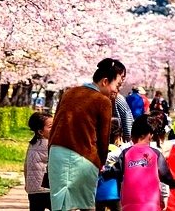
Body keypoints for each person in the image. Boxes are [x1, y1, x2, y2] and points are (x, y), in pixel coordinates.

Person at [49, 58, 126, 211]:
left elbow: (56, 124)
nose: (117, 90)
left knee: (60, 205)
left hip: (56, 154)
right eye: (117, 85)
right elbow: (104, 139)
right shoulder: (102, 100)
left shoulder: (69, 92)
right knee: (86, 205)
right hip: (83, 157)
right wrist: (101, 162)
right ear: (105, 81)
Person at [114, 117, 175, 211]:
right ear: (150, 135)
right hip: (151, 204)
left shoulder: (126, 153)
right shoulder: (155, 153)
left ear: (132, 134)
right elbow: (165, 176)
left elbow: (116, 172)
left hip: (129, 204)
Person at [26, 111, 53, 211]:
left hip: (33, 190)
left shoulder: (32, 144)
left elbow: (26, 165)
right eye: (51, 127)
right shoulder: (49, 145)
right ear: (40, 132)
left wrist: (27, 183)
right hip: (47, 189)